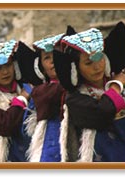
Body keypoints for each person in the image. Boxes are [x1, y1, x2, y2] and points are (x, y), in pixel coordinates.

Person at [53, 21, 125, 162]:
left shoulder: (124, 83)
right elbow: (102, 113)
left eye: (99, 58)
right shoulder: (74, 98)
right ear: (76, 69)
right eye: (88, 63)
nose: (97, 67)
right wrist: (116, 86)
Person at [16, 26, 79, 162]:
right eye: (47, 58)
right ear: (41, 67)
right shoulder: (41, 92)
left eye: (58, 54)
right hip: (52, 148)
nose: (53, 60)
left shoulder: (81, 85)